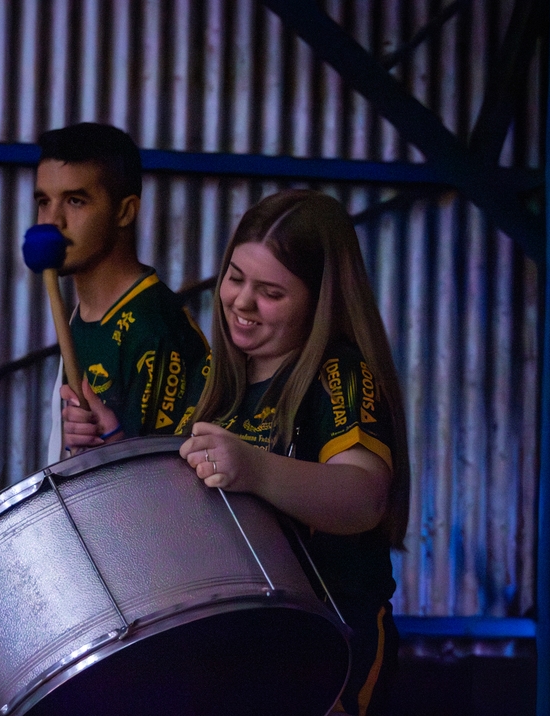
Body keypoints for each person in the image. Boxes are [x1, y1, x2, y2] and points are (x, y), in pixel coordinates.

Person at [179, 190, 410, 716]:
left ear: (319, 300)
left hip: (328, 651)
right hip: (231, 655)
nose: (241, 302)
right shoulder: (208, 381)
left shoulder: (339, 373)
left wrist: (255, 468)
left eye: (270, 292)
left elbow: (366, 497)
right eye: (235, 278)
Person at [35, 122, 210, 460]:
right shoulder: (85, 312)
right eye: (44, 201)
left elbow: (160, 478)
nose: (52, 221)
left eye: (75, 201)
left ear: (125, 211)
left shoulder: (153, 328)